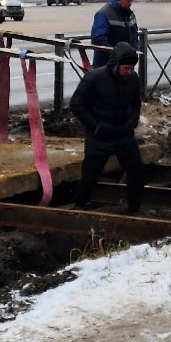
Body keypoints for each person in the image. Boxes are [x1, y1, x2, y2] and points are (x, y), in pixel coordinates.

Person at [71, 41, 146, 213]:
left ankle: (134, 208)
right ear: (115, 65)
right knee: (91, 175)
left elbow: (136, 103)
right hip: (100, 136)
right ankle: (80, 206)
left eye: (132, 68)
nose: (129, 72)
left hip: (124, 134)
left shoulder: (133, 79)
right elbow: (77, 104)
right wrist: (95, 126)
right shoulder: (94, 78)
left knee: (137, 172)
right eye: (126, 68)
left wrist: (133, 121)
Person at [89, 0, 140, 68]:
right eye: (128, 1)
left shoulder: (129, 14)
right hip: (105, 65)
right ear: (119, 0)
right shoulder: (104, 14)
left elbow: (134, 34)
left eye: (131, 1)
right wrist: (115, 55)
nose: (130, 3)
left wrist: (132, 52)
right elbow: (98, 39)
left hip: (124, 63)